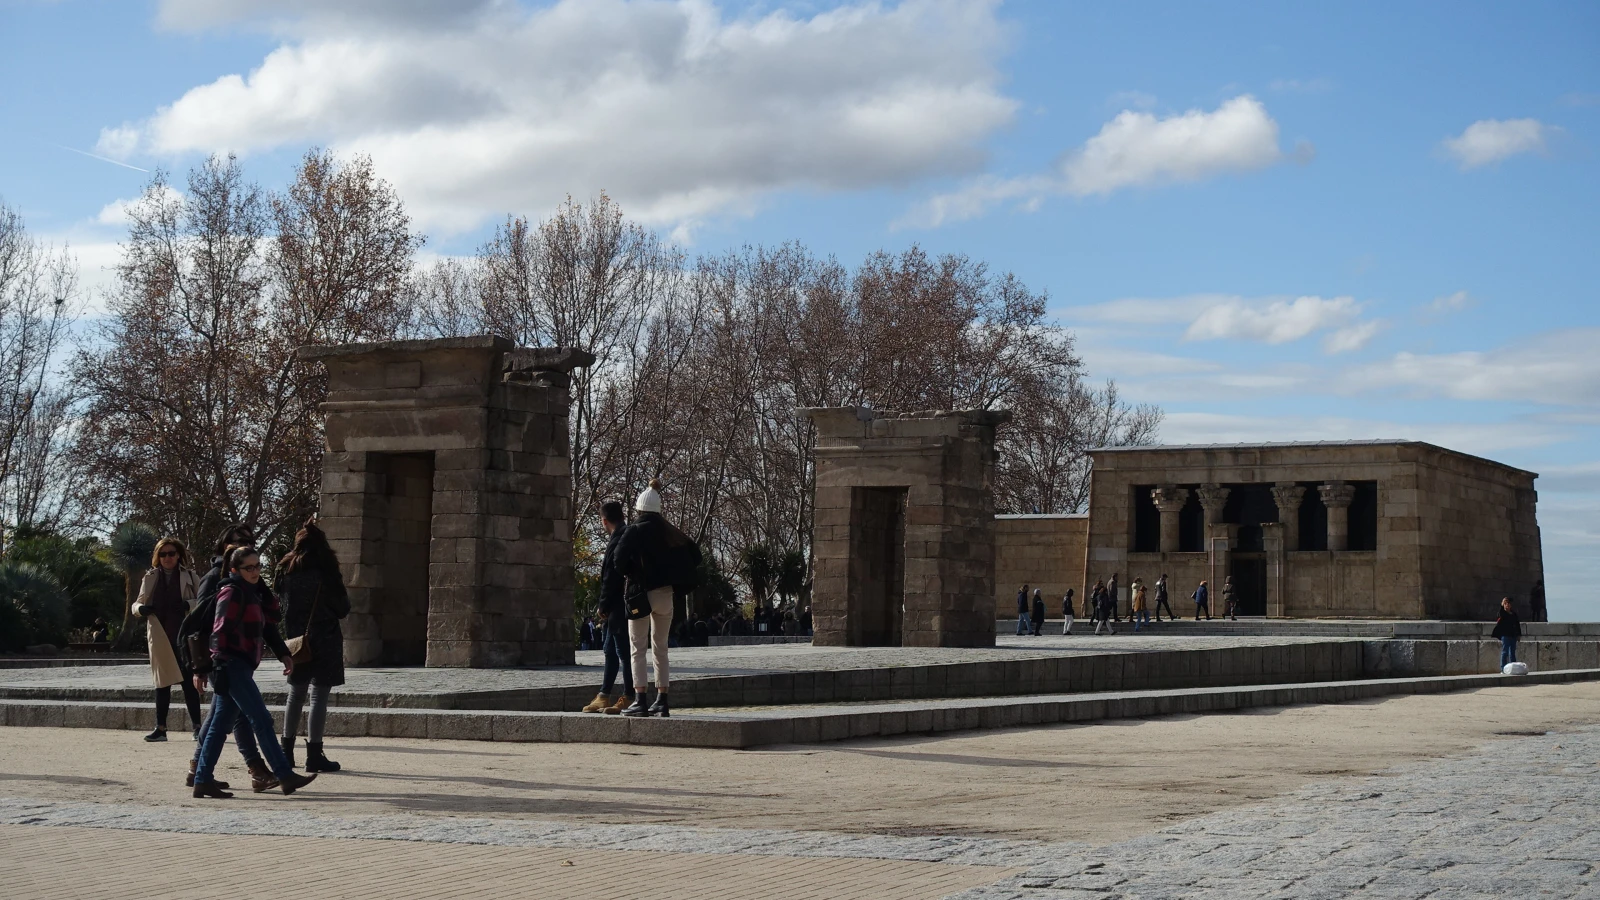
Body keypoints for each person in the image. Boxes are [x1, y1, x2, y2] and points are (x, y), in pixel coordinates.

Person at [191, 546, 315, 798]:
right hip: (231, 665)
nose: (255, 571)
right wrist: (218, 666)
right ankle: (284, 775)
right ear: (235, 569)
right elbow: (219, 632)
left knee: (219, 724)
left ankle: (202, 779)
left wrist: (283, 653)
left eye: (258, 566)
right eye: (249, 567)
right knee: (261, 719)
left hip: (240, 666)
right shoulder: (232, 592)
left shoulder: (252, 592)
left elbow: (267, 628)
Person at [179, 526, 276, 793]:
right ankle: (258, 770)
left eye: (248, 542)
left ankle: (198, 770)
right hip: (222, 658)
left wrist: (282, 651)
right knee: (242, 717)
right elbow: (201, 625)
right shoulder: (214, 579)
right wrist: (200, 667)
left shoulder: (251, 578)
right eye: (237, 542)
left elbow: (267, 619)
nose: (242, 545)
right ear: (224, 546)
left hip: (242, 657)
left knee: (220, 717)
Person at [617, 479, 697, 718]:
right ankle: (662, 699)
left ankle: (640, 698)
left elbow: (617, 560)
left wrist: (634, 572)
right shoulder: (670, 532)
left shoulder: (634, 530)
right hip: (665, 595)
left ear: (640, 509)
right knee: (661, 648)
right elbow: (696, 555)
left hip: (641, 594)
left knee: (637, 648)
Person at [277, 519, 351, 774]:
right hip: (325, 637)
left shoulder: (285, 570)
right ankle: (314, 753)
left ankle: (285, 752)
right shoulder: (327, 571)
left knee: (295, 694)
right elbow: (343, 609)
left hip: (297, 640)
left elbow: (280, 605)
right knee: (319, 696)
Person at [133, 537, 201, 742]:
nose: (167, 558)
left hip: (185, 634)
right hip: (160, 635)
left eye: (171, 553)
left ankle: (197, 727)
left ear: (178, 554)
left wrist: (189, 604)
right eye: (163, 554)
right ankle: (160, 728)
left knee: (189, 683)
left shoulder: (190, 575)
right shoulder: (150, 577)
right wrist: (140, 609)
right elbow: (137, 603)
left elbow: (205, 600)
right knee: (162, 684)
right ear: (157, 556)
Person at [585, 501, 636, 714]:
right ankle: (604, 694)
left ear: (604, 521)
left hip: (618, 605)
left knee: (622, 652)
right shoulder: (624, 534)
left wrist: (602, 604)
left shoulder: (621, 538)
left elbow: (611, 576)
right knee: (609, 651)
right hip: (616, 605)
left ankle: (629, 694)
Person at [1491, 597, 1521, 669]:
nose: (1507, 605)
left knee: (1512, 653)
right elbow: (1500, 613)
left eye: (1508, 604)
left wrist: (1519, 635)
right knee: (1505, 652)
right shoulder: (1503, 613)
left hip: (1513, 635)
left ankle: (1513, 668)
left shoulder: (1513, 614)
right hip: (1505, 635)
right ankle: (1503, 668)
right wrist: (1502, 604)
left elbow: (1517, 624)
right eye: (1505, 604)